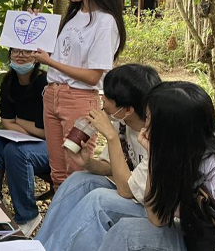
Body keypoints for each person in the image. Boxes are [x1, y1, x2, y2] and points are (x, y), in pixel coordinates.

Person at [97, 82, 215, 251]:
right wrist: (154, 156)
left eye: (149, 119)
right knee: (127, 230)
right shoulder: (181, 157)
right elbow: (156, 219)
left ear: (170, 130)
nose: (144, 127)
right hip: (194, 238)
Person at [35, 64, 161, 250]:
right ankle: (39, 245)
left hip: (153, 209)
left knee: (98, 201)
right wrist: (89, 163)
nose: (102, 99)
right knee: (80, 180)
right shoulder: (122, 122)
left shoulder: (155, 136)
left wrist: (110, 137)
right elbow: (111, 167)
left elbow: (127, 191)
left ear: (128, 110)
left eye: (108, 98)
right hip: (134, 191)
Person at [32, 0, 126, 188]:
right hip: (52, 95)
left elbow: (94, 75)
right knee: (57, 173)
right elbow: (63, 55)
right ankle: (58, 224)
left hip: (79, 99)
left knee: (76, 170)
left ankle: (76, 223)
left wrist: (50, 63)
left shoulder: (105, 22)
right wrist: (36, 26)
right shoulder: (75, 16)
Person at [0, 47, 49, 237]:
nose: (20, 56)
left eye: (27, 52)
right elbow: (6, 122)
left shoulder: (44, 84)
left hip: (51, 145)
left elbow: (46, 132)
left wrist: (19, 122)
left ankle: (28, 215)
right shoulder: (8, 81)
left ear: (37, 57)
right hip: (28, 139)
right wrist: (25, 128)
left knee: (15, 151)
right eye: (16, 51)